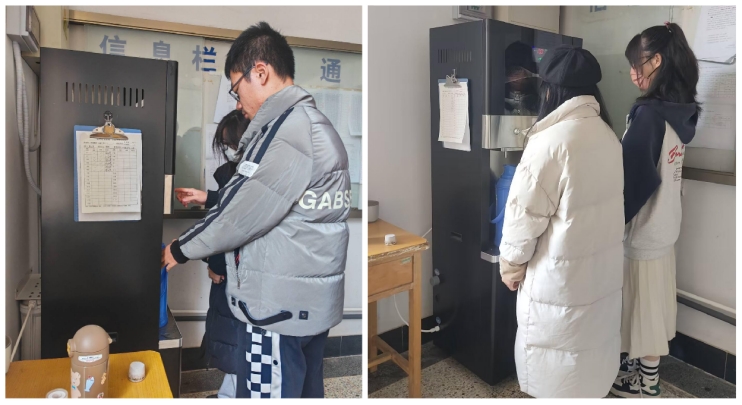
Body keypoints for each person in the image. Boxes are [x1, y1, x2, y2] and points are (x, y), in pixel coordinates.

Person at [161, 21, 351, 398]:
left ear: (260, 72)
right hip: (309, 307)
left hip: (275, 310)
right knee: (305, 391)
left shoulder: (287, 130)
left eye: (236, 88)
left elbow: (238, 213)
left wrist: (179, 249)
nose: (237, 102)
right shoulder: (317, 125)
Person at [498, 45, 624, 398]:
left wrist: (511, 267)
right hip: (599, 278)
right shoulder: (608, 136)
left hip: (558, 281)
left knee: (556, 370)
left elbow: (524, 216)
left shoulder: (550, 142)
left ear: (550, 91)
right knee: (587, 362)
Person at [611, 22, 699, 399]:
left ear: (656, 61)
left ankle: (646, 384)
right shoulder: (681, 111)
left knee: (641, 312)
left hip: (643, 232)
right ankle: (641, 375)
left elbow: (633, 180)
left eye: (637, 63)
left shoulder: (648, 114)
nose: (633, 72)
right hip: (665, 228)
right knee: (653, 308)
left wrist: (609, 223)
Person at [174, 110, 250, 398]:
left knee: (235, 342)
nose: (228, 150)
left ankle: (230, 396)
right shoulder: (241, 172)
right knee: (234, 341)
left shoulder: (248, 173)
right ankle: (229, 394)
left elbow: (228, 226)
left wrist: (214, 263)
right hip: (233, 277)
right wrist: (206, 197)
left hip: (235, 278)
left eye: (230, 144)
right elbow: (230, 207)